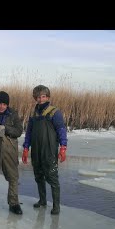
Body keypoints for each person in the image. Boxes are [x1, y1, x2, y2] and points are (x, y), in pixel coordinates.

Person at [22, 85, 67, 215]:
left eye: (43, 96)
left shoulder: (55, 112)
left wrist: (63, 147)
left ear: (48, 97)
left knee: (52, 178)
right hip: (36, 150)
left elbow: (61, 130)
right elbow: (29, 132)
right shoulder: (34, 114)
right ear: (35, 98)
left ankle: (56, 206)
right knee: (39, 176)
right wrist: (26, 148)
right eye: (38, 97)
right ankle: (42, 200)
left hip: (49, 151)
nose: (40, 99)